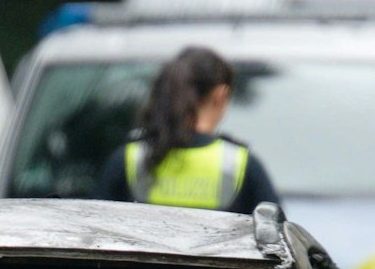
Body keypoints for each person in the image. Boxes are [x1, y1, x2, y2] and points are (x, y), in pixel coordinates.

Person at [94, 46, 280, 213]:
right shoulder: (240, 165)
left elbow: (94, 231)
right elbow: (276, 241)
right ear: (220, 95)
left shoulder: (129, 160)